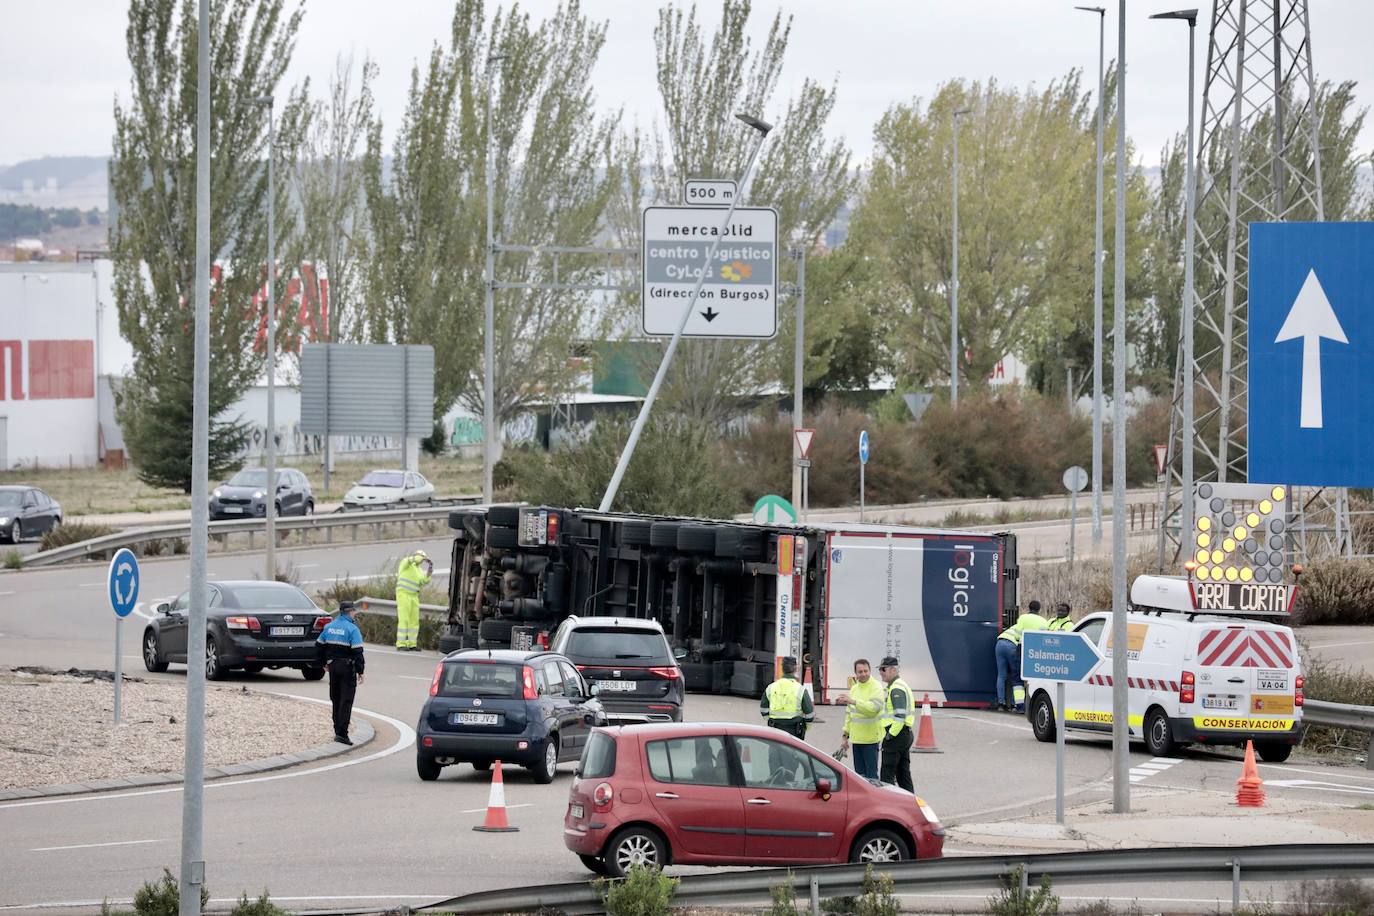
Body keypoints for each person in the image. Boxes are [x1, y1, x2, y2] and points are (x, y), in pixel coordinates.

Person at [315, 601, 365, 744]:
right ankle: (342, 734)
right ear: (350, 612)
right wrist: (361, 671)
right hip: (347, 668)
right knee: (346, 700)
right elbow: (358, 652)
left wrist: (323, 663)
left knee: (335, 699)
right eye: (354, 611)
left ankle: (337, 730)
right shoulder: (352, 629)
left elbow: (318, 646)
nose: (355, 614)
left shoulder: (329, 627)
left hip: (333, 667)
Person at [994, 600, 1050, 712]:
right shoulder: (1044, 621)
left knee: (1002, 675)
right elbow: (1044, 639)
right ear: (1039, 609)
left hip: (1000, 643)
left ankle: (1001, 703)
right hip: (1013, 646)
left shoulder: (1023, 618)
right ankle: (1018, 705)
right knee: (1017, 676)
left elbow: (1018, 633)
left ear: (1029, 608)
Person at [838, 658, 884, 780]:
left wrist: (853, 701)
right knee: (860, 777)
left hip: (870, 739)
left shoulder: (876, 687)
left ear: (870, 671)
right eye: (860, 672)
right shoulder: (854, 689)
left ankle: (873, 799)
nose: (863, 674)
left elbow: (874, 709)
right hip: (856, 739)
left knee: (871, 777)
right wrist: (845, 736)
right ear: (856, 673)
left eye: (866, 671)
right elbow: (849, 715)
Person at [877, 656, 914, 792]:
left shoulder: (896, 688)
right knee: (903, 774)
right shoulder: (899, 685)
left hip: (897, 736)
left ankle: (887, 806)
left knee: (887, 774)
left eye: (883, 669)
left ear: (893, 669)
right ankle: (911, 804)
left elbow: (899, 716)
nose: (880, 672)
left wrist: (890, 735)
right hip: (904, 734)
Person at [759, 656, 814, 739]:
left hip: (775, 728)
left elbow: (763, 709)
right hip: (794, 730)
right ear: (796, 669)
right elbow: (809, 714)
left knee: (775, 750)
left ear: (782, 669)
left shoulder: (771, 687)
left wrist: (770, 720)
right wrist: (806, 727)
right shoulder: (800, 689)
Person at [395, 549, 433, 651]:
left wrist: (429, 572)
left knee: (414, 621)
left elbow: (423, 582)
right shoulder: (406, 563)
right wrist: (419, 557)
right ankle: (401, 644)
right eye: (421, 558)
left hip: (414, 596)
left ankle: (412, 644)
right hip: (403, 594)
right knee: (404, 620)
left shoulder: (419, 570)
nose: (421, 560)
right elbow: (409, 560)